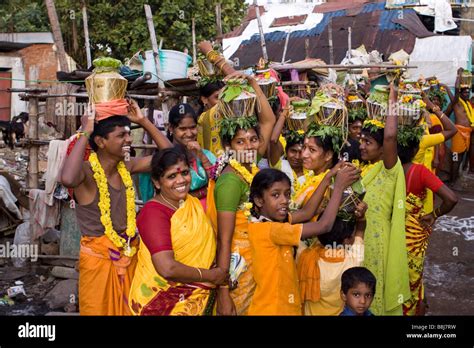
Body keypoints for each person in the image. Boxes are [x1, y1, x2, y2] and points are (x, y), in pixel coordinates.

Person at [60, 100, 172, 315]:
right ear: (101, 142)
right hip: (98, 264)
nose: (129, 139)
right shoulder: (85, 173)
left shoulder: (127, 167)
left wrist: (143, 121)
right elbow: (67, 178)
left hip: (129, 254)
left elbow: (169, 157)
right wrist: (86, 131)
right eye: (122, 135)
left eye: (129, 134)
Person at [247, 166, 360, 315]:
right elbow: (324, 225)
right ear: (259, 201)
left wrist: (327, 178)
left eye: (287, 194)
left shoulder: (269, 223)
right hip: (274, 309)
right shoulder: (272, 230)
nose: (284, 201)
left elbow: (307, 212)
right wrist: (338, 187)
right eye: (275, 195)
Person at [128, 147, 227, 315]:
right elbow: (167, 268)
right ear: (157, 182)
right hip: (162, 303)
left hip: (198, 299)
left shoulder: (191, 203)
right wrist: (211, 276)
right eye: (171, 176)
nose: (181, 180)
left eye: (185, 173)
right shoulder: (154, 213)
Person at [210, 71, 275, 315]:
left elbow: (267, 121)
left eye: (252, 139)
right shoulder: (230, 179)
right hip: (238, 268)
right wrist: (224, 292)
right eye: (240, 141)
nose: (248, 146)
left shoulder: (251, 162)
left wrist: (253, 82)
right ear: (228, 146)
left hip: (258, 259)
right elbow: (223, 240)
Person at [357, 82, 410, 315]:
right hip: (360, 239)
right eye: (361, 140)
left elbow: (389, 136)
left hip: (378, 242)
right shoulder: (363, 169)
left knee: (373, 295)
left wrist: (392, 100)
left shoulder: (389, 170)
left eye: (368, 142)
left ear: (382, 150)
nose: (361, 146)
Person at [397, 127, 458, 315]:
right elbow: (452, 199)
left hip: (391, 232)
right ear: (416, 150)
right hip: (413, 234)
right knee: (413, 276)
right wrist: (435, 214)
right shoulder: (420, 172)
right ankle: (413, 308)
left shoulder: (383, 170)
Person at [299, 206, 368, 316]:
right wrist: (361, 217)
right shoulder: (353, 261)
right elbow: (361, 230)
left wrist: (310, 213)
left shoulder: (305, 256)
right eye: (352, 235)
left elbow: (293, 232)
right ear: (346, 241)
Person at [414, 95, 457, 213]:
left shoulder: (414, 135)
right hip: (422, 169)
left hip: (418, 167)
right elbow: (452, 130)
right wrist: (433, 107)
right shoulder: (422, 140)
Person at [266, 98, 306, 191]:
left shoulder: (311, 168)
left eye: (300, 152)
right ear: (286, 151)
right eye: (293, 151)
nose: (296, 156)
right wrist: (285, 111)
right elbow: (273, 140)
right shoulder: (280, 165)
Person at [445, 68, 474, 184]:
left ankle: (454, 179)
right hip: (458, 133)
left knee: (461, 157)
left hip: (467, 133)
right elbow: (456, 89)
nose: (467, 94)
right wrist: (458, 75)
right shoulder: (457, 102)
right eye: (465, 92)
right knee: (456, 157)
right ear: (460, 94)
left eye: (468, 92)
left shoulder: (467, 103)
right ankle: (452, 181)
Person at [197, 81, 225, 155]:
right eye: (217, 97)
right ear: (204, 99)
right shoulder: (202, 119)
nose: (222, 101)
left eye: (224, 97)